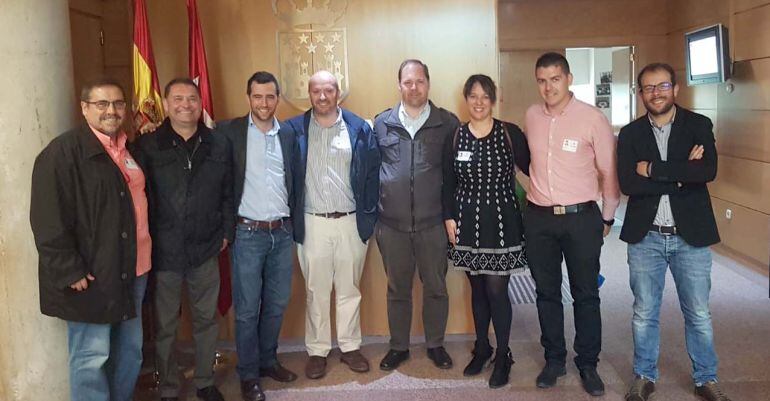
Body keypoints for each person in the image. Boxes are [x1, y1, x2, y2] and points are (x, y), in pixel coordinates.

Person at [30, 78, 151, 401]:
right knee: (91, 357)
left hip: (134, 268)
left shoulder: (128, 148)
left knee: (130, 352)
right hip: (93, 274)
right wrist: (69, 269)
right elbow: (46, 218)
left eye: (118, 103)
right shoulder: (62, 153)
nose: (111, 111)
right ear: (84, 108)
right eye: (102, 104)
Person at [618, 63, 730, 401]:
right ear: (640, 93)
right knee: (644, 312)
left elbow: (707, 171)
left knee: (698, 313)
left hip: (690, 235)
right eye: (649, 88)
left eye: (663, 86)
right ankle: (644, 376)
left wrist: (653, 169)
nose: (656, 93)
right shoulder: (630, 133)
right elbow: (628, 183)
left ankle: (706, 379)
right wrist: (681, 175)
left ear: (676, 89)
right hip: (646, 236)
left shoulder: (698, 125)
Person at [524, 52, 620, 396]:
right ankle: (554, 359)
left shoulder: (592, 118)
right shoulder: (531, 116)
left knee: (586, 293)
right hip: (539, 218)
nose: (548, 87)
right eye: (542, 80)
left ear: (568, 79)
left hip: (581, 218)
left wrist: (608, 215)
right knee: (546, 293)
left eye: (555, 79)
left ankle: (588, 363)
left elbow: (609, 172)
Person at [137, 78, 233, 401]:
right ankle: (168, 386)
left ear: (200, 102)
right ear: (166, 104)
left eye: (192, 98)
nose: (185, 105)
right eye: (177, 99)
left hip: (206, 248)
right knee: (165, 325)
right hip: (164, 251)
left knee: (206, 320)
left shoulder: (218, 143)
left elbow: (228, 192)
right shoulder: (148, 145)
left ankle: (205, 381)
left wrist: (226, 233)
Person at [284, 70, 380, 380]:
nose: (323, 96)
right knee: (317, 291)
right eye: (316, 91)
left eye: (329, 90)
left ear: (338, 93)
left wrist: (368, 218)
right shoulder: (293, 130)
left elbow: (372, 175)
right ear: (309, 94)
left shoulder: (359, 128)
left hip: (350, 222)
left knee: (350, 289)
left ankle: (350, 347)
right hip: (312, 222)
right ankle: (318, 351)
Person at [442, 74, 530, 388]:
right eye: (473, 96)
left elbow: (535, 169)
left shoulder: (510, 133)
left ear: (493, 100)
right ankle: (482, 348)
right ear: (466, 99)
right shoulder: (456, 136)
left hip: (502, 220)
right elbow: (448, 182)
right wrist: (448, 217)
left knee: (496, 291)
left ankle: (504, 354)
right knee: (477, 290)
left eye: (485, 96)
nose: (479, 102)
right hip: (466, 222)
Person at [218, 71, 300, 401]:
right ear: (248, 97)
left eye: (270, 96)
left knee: (277, 303)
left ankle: (268, 361)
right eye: (257, 96)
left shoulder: (288, 134)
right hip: (247, 234)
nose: (264, 103)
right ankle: (248, 374)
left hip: (282, 232)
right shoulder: (229, 132)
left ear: (277, 98)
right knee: (248, 309)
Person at [374, 59, 460, 371]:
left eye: (420, 81)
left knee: (436, 287)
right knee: (397, 288)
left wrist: (451, 216)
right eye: (408, 82)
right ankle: (399, 346)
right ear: (399, 85)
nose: (414, 88)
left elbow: (454, 176)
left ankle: (435, 344)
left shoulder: (447, 123)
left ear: (428, 84)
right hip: (391, 225)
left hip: (432, 224)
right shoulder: (382, 123)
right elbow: (372, 171)